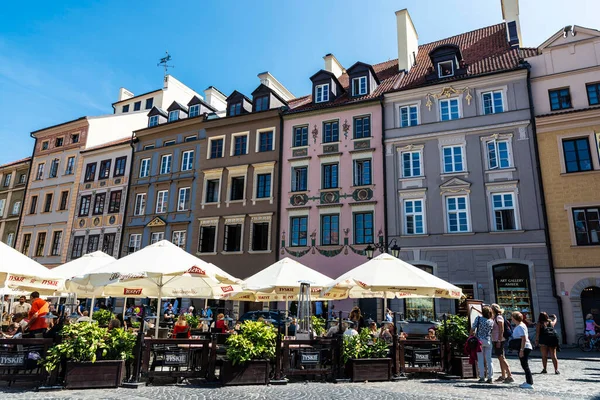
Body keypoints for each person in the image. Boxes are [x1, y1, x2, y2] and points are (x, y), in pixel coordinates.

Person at [470, 305, 494, 383]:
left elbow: (473, 328)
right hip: (488, 340)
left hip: (479, 341)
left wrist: (470, 336)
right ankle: (490, 377)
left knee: (480, 359)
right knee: (489, 360)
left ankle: (482, 377)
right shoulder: (491, 321)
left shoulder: (479, 319)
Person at [491, 303, 513, 383]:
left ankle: (509, 375)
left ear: (493, 309)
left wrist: (499, 340)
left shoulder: (499, 317)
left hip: (499, 339)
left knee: (501, 357)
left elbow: (501, 330)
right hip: (495, 339)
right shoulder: (494, 317)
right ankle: (503, 375)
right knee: (500, 357)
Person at [512, 311, 534, 389]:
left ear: (515, 318)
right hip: (523, 347)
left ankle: (529, 382)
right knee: (524, 364)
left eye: (512, 317)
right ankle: (528, 381)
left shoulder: (520, 326)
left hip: (525, 347)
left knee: (525, 365)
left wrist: (522, 349)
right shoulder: (519, 325)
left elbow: (523, 338)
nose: (511, 318)